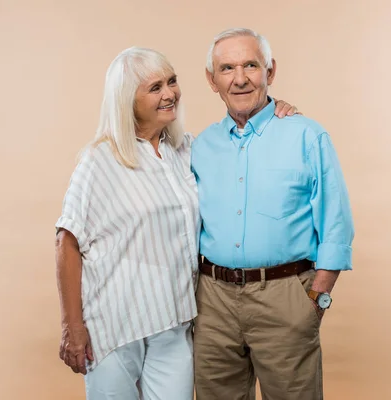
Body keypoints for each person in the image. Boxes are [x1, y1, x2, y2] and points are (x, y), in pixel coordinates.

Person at [54, 46, 297, 400]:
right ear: (126, 100)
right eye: (155, 88)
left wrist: (273, 111)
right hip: (113, 326)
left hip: (175, 321)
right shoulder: (100, 159)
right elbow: (67, 242)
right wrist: (72, 327)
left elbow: (243, 148)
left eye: (171, 82)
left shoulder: (186, 151)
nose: (170, 94)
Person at [191, 28, 355, 400]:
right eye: (227, 68)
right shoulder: (199, 146)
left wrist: (316, 301)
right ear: (211, 80)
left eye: (251, 65)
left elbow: (336, 223)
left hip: (286, 297)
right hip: (212, 301)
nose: (240, 78)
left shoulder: (306, 136)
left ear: (270, 71)